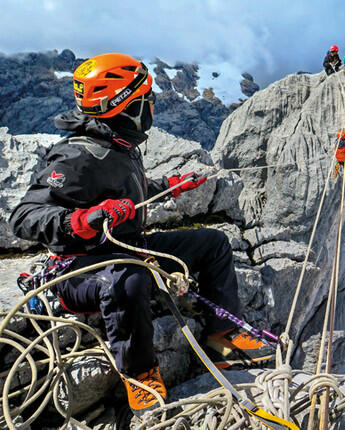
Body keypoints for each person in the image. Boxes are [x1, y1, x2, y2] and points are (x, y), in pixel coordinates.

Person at [9, 53, 272, 414]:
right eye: (146, 100)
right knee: (128, 279)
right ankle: (140, 373)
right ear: (124, 105)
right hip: (79, 269)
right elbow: (24, 216)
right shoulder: (76, 156)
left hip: (128, 248)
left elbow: (124, 190)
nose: (152, 106)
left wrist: (170, 186)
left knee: (213, 244)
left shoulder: (119, 144)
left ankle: (221, 338)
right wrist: (81, 220)